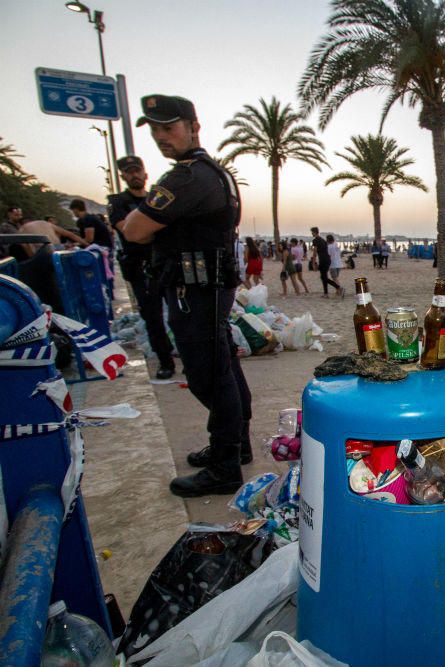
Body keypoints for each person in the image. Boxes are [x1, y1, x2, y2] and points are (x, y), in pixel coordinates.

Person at [121, 94, 252, 497]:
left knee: (207, 376)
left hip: (195, 289)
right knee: (223, 365)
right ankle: (234, 446)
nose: (161, 136)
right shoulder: (216, 173)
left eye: (169, 127)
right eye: (155, 130)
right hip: (207, 286)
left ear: (193, 126)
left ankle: (225, 465)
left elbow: (135, 230)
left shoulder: (187, 177)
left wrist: (141, 219)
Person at [107, 155, 175, 380]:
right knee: (153, 317)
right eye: (129, 172)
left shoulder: (157, 199)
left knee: (179, 314)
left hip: (165, 265)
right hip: (141, 269)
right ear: (123, 176)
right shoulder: (118, 202)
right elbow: (131, 232)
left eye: (137, 170)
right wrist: (149, 233)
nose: (134, 175)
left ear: (145, 174)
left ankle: (187, 358)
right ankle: (165, 361)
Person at [310, 226, 342, 297]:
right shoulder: (323, 240)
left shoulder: (316, 240)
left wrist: (313, 263)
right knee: (324, 277)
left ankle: (338, 287)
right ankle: (326, 294)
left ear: (315, 232)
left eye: (312, 232)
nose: (311, 234)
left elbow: (315, 253)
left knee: (323, 277)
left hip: (323, 260)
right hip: (327, 260)